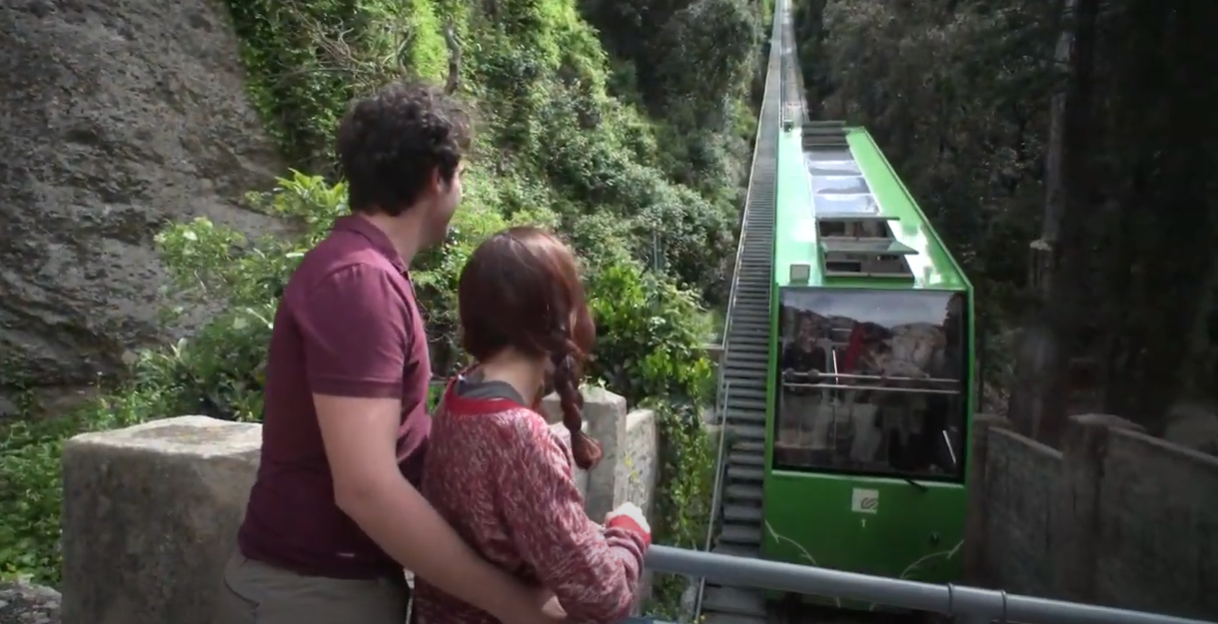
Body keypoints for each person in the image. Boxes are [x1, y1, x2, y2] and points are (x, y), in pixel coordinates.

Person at [214, 83, 564, 624]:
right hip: (313, 595)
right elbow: (367, 488)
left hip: (328, 587)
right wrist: (518, 607)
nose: (461, 188)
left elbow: (393, 450)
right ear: (436, 178)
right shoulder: (360, 282)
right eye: (461, 174)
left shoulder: (364, 270)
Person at [413, 227, 652, 624]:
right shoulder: (518, 434)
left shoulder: (459, 393)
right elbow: (605, 597)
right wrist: (628, 532)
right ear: (564, 318)